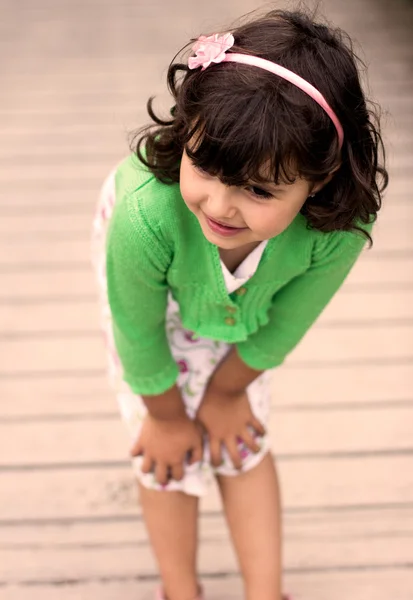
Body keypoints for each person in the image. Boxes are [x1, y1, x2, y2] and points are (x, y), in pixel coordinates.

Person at [92, 8, 387, 600]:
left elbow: (288, 321)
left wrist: (229, 391)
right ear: (187, 130)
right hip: (155, 289)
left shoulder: (338, 229)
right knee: (167, 452)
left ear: (321, 180)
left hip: (243, 311)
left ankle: (265, 592)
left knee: (242, 440)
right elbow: (137, 326)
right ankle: (180, 590)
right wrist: (168, 417)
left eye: (258, 189)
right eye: (203, 165)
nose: (221, 207)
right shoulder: (146, 216)